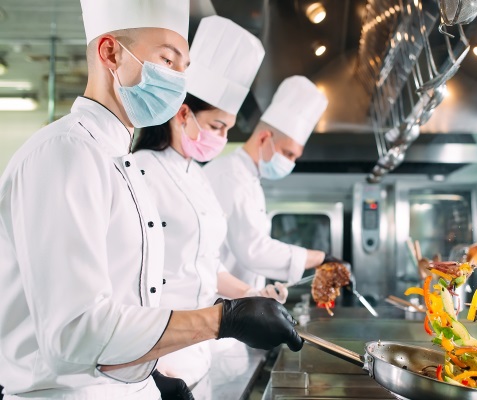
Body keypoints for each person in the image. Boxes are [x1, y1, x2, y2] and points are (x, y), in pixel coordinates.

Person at [0, 2, 302, 399]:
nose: (178, 82)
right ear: (110, 53)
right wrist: (222, 320)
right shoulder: (66, 151)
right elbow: (73, 333)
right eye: (167, 61)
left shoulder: (122, 162)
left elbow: (132, 300)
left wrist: (150, 376)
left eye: (183, 68)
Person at [133, 16, 287, 393]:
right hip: (158, 363)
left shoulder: (197, 176)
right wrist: (152, 371)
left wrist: (254, 297)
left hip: (201, 354)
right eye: (217, 126)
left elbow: (205, 265)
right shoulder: (140, 172)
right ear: (183, 114)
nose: (223, 138)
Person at [204, 76, 337, 290]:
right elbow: (254, 251)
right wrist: (320, 258)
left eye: (295, 157)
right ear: (264, 138)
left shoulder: (249, 178)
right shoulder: (229, 176)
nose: (290, 163)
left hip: (237, 301)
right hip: (218, 303)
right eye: (288, 153)